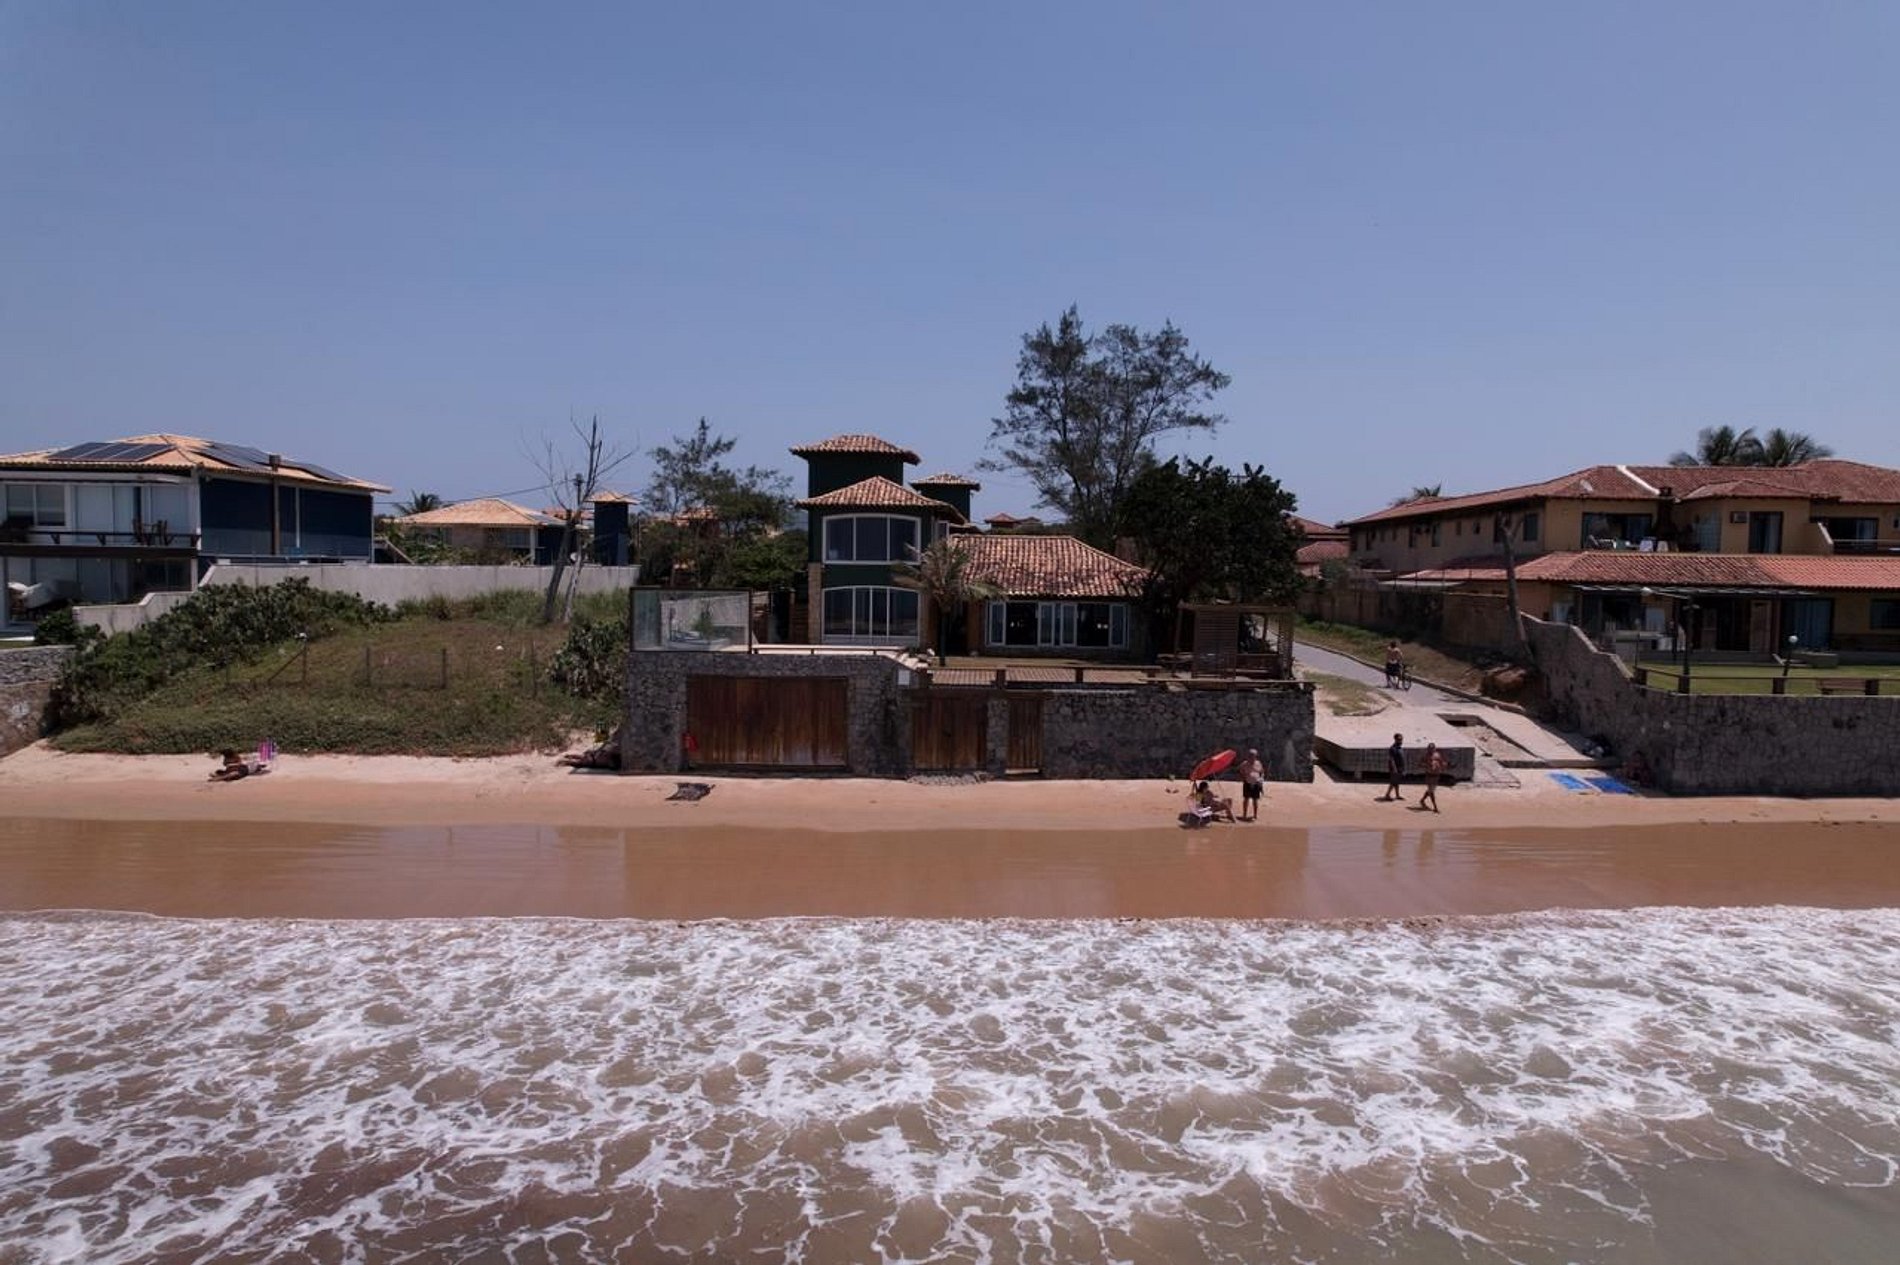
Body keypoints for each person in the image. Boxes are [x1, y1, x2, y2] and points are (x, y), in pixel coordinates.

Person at [1236, 748, 1266, 821]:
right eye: (1250, 755)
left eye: (1253, 755)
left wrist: (1261, 779)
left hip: (1256, 783)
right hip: (1247, 783)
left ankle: (1255, 815)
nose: (1251, 757)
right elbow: (1239, 771)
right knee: (1246, 799)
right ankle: (1244, 815)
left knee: (1255, 800)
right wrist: (1244, 778)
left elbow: (1262, 772)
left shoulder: (1258, 763)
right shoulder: (1244, 764)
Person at [1421, 742, 1447, 813]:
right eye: (1429, 748)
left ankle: (1422, 800)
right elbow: (1420, 764)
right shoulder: (1426, 756)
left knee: (1431, 790)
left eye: (1432, 748)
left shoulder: (1437, 755)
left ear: (1434, 749)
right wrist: (1427, 765)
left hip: (1436, 775)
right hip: (1429, 775)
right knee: (1431, 791)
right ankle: (1435, 807)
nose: (1430, 750)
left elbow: (1441, 762)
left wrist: (1443, 765)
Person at [1379, 732, 1405, 801]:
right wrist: (1394, 768)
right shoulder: (1393, 748)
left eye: (1401, 739)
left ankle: (1397, 795)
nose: (1401, 741)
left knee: (1397, 782)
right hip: (1395, 768)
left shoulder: (1400, 748)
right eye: (1399, 739)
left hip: (1400, 767)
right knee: (1393, 782)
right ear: (1395, 739)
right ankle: (1387, 795)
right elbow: (1391, 759)